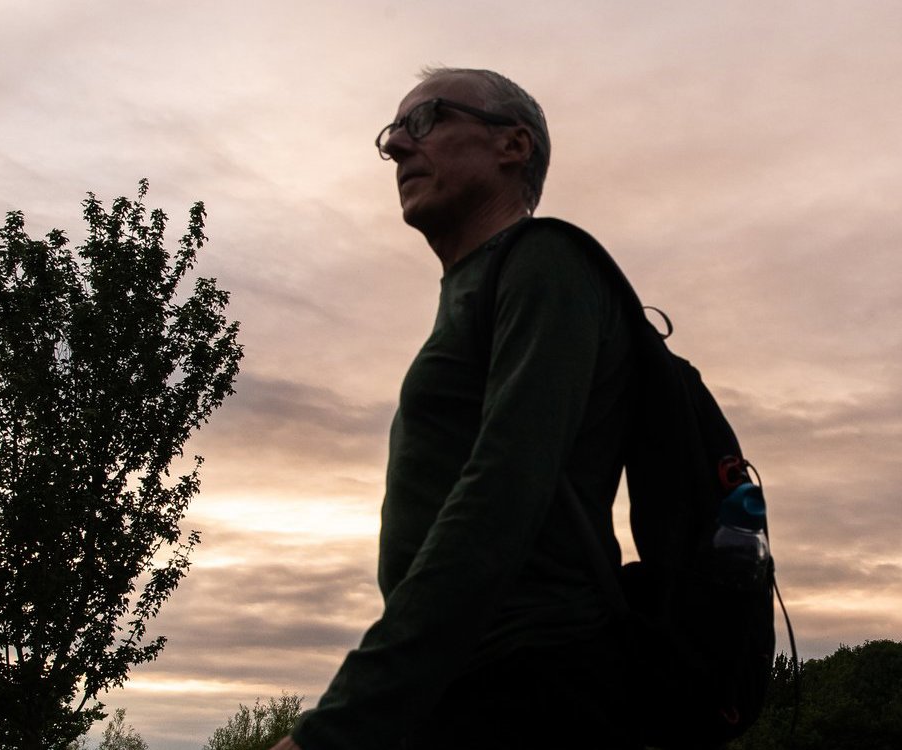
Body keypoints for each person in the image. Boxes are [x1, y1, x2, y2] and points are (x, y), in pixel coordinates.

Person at [273, 68, 638, 749]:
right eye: (392, 134)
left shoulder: (545, 262)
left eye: (426, 120)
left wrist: (340, 725)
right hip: (468, 681)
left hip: (530, 689)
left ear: (513, 146)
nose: (397, 148)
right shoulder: (477, 289)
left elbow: (499, 497)